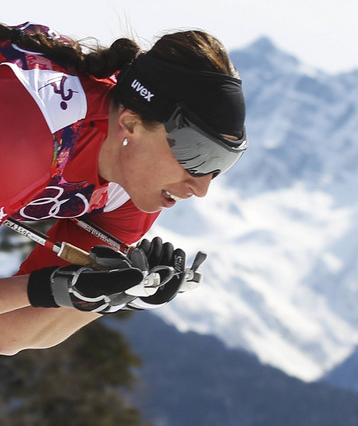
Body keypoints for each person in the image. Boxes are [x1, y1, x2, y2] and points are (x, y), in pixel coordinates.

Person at [0, 22, 247, 355]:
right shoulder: (25, 141)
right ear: (130, 123)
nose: (200, 187)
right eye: (196, 155)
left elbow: (10, 333)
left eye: (220, 164)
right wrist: (43, 288)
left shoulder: (132, 187)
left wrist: (121, 292)